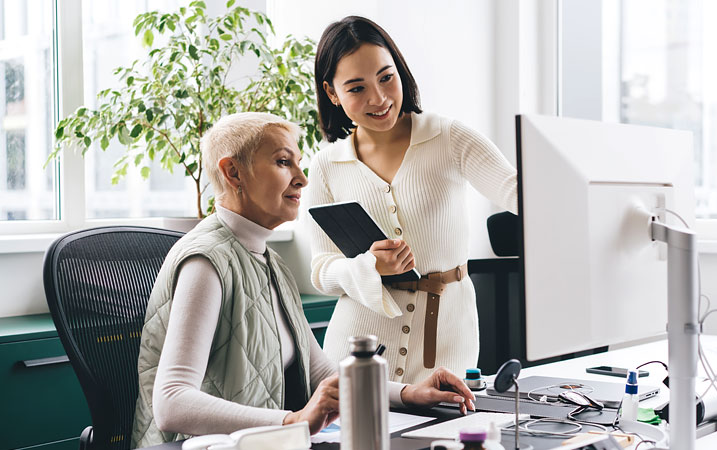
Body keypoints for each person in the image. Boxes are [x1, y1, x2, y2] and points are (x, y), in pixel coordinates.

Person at [131, 112, 476, 448]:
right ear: (233, 172)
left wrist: (410, 393)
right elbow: (171, 403)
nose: (302, 178)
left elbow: (321, 373)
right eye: (283, 162)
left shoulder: (270, 262)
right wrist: (292, 421)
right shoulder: (205, 262)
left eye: (298, 162)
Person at [306, 16, 518, 384]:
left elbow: (521, 195)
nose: (379, 98)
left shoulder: (449, 137)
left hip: (447, 335)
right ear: (332, 93)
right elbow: (323, 271)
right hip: (357, 344)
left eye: (386, 77)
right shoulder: (326, 165)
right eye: (356, 88)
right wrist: (369, 267)